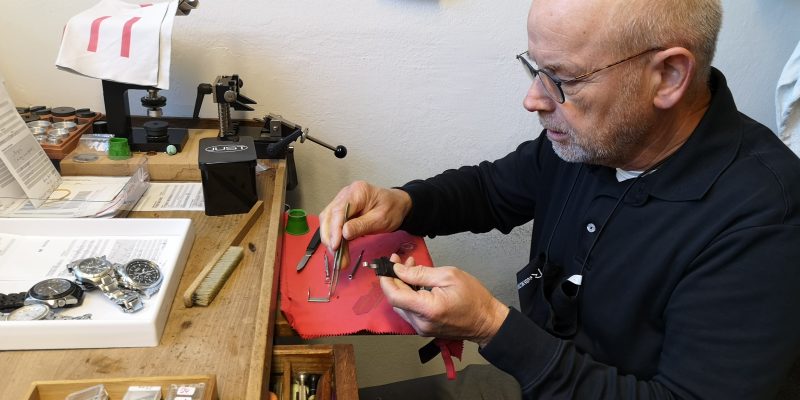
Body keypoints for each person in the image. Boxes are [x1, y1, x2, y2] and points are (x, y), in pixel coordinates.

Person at [319, 0, 800, 398]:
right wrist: (403, 202)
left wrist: (491, 325)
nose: (533, 98)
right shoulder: (597, 141)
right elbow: (489, 190)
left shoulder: (764, 219)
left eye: (563, 80)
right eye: (534, 68)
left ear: (669, 76)